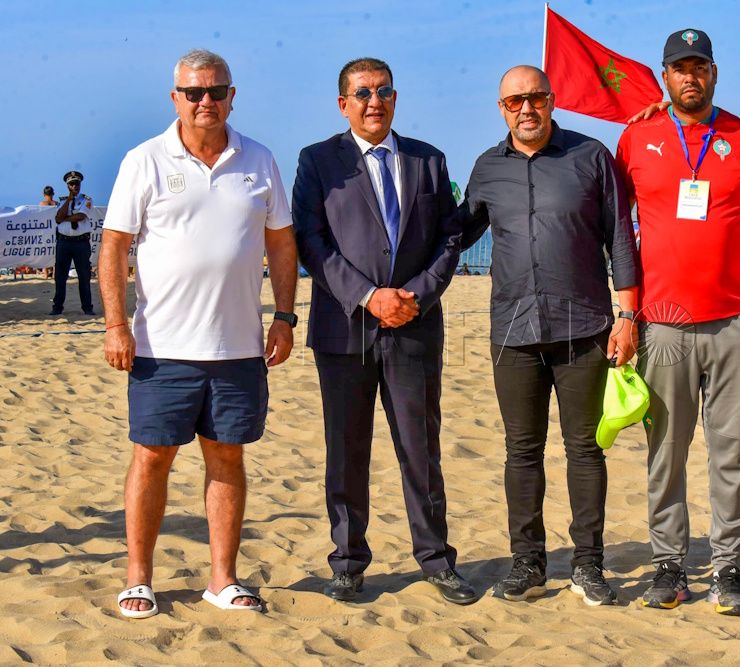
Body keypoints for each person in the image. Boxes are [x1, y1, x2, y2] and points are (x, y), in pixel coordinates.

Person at [98, 48, 298, 619]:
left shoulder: (258, 159)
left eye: (216, 91)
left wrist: (284, 316)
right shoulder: (144, 159)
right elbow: (113, 245)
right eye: (194, 92)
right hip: (161, 348)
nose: (205, 101)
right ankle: (139, 578)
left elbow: (280, 242)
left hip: (239, 346)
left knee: (227, 458)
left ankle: (223, 580)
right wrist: (115, 325)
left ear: (233, 95)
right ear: (175, 98)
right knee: (152, 457)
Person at [291, 57, 474, 605]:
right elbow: (311, 240)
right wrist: (369, 296)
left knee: (421, 447)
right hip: (344, 328)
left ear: (396, 98)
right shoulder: (318, 161)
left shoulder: (428, 160)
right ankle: (348, 561)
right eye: (363, 92)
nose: (375, 101)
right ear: (343, 102)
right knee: (346, 450)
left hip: (414, 326)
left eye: (385, 91)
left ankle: (436, 560)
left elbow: (450, 238)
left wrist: (415, 295)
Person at [617, 28, 740, 617]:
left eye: (700, 66)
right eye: (679, 68)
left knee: (731, 451)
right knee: (666, 447)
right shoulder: (637, 137)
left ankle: (728, 567)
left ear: (713, 72)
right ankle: (669, 562)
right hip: (663, 322)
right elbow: (618, 232)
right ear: (665, 76)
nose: (690, 76)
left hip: (737, 320)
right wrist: (625, 312)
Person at [456, 65, 638, 607]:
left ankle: (588, 565)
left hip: (584, 327)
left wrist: (627, 315)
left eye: (535, 98)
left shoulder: (590, 157)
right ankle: (528, 562)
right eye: (515, 102)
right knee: (521, 451)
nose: (526, 109)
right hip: (512, 332)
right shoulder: (488, 167)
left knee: (585, 449)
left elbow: (621, 239)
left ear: (552, 100)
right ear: (501, 108)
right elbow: (456, 233)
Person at [51, 171, 94, 315]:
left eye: (77, 183)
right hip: (64, 242)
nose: (75, 186)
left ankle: (87, 308)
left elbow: (81, 216)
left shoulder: (86, 200)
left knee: (84, 277)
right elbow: (57, 218)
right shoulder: (62, 201)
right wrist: (69, 200)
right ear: (67, 186)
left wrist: (64, 218)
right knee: (60, 277)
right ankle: (57, 308)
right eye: (72, 184)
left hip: (80, 243)